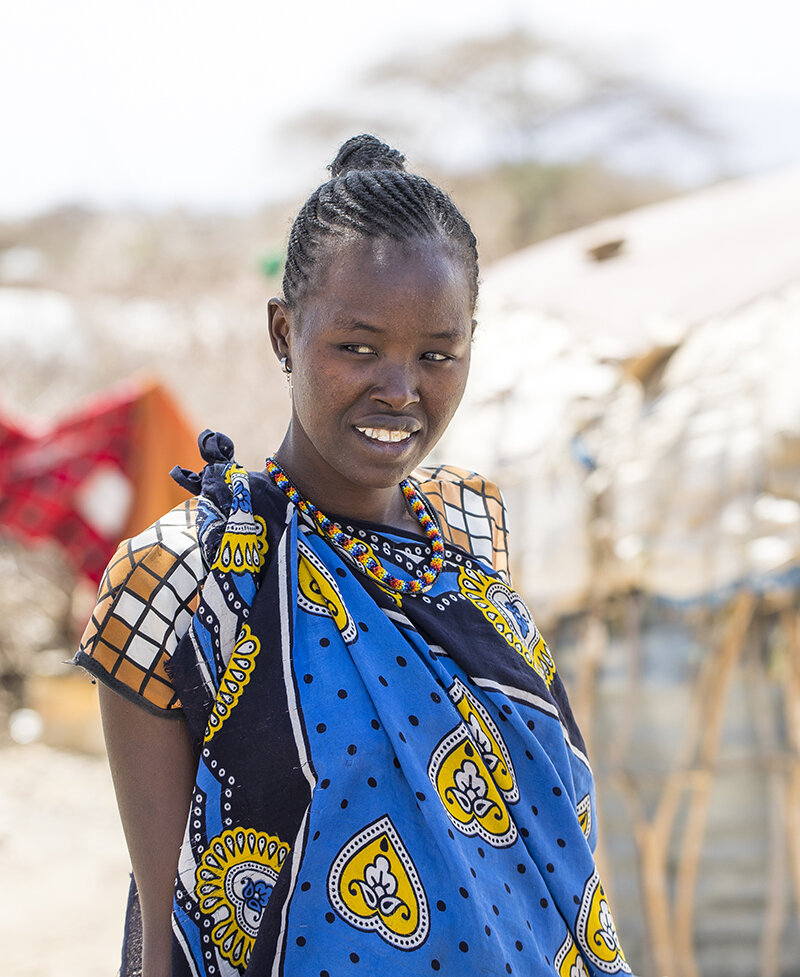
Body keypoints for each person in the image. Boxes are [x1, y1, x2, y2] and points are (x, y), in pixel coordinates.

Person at [76, 134, 630, 977]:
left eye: (436, 354)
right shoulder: (188, 578)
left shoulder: (469, 535)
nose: (401, 390)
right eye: (358, 348)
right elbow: (168, 934)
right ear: (283, 332)